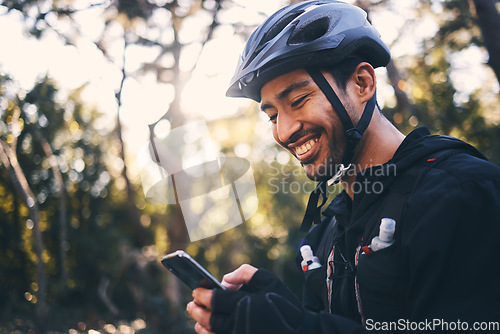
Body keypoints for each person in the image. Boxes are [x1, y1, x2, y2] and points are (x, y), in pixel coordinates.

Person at [186, 1, 500, 333]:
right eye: (273, 116)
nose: (284, 131)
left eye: (298, 101)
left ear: (362, 84)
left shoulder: (462, 194)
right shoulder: (325, 237)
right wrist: (283, 310)